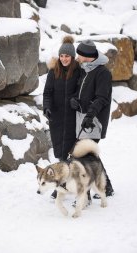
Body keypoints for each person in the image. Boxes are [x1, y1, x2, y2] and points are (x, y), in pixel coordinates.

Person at [70, 39, 115, 199]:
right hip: (82, 118)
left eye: (79, 54)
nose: (77, 57)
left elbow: (101, 98)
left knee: (85, 154)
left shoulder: (102, 73)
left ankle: (88, 191)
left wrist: (90, 115)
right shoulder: (85, 70)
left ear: (86, 56)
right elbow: (80, 92)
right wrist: (75, 99)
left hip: (94, 120)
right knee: (90, 154)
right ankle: (106, 187)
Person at [43, 36, 81, 198]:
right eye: (62, 56)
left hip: (73, 117)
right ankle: (60, 186)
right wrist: (47, 108)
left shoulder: (79, 71)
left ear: (72, 57)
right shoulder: (53, 72)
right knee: (60, 153)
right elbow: (47, 93)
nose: (64, 59)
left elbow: (81, 90)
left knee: (75, 153)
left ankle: (77, 184)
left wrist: (76, 99)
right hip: (57, 118)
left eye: (67, 56)